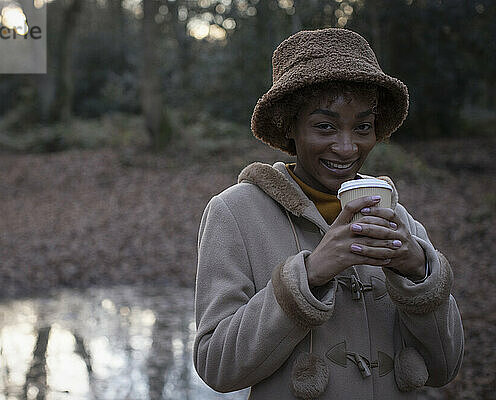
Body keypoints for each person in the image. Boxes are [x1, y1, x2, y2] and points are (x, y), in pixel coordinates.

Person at [193, 28, 463, 400]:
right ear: (290, 126)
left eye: (363, 127)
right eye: (325, 126)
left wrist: (418, 272)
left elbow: (445, 368)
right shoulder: (235, 213)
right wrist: (308, 276)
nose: (347, 147)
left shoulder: (399, 219)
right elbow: (216, 366)